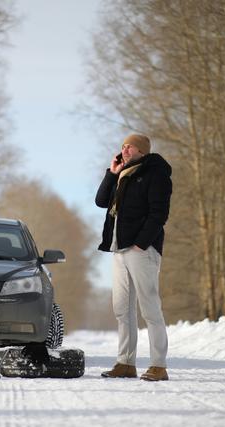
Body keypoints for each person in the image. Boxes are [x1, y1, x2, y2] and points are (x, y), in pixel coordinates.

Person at [95, 134, 172, 381]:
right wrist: (112, 172)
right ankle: (126, 363)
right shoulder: (122, 174)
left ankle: (159, 365)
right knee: (122, 309)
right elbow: (100, 201)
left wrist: (141, 243)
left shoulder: (155, 173)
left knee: (149, 306)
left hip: (141, 250)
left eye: (130, 146)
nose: (124, 150)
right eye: (123, 146)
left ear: (142, 150)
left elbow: (159, 213)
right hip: (119, 249)